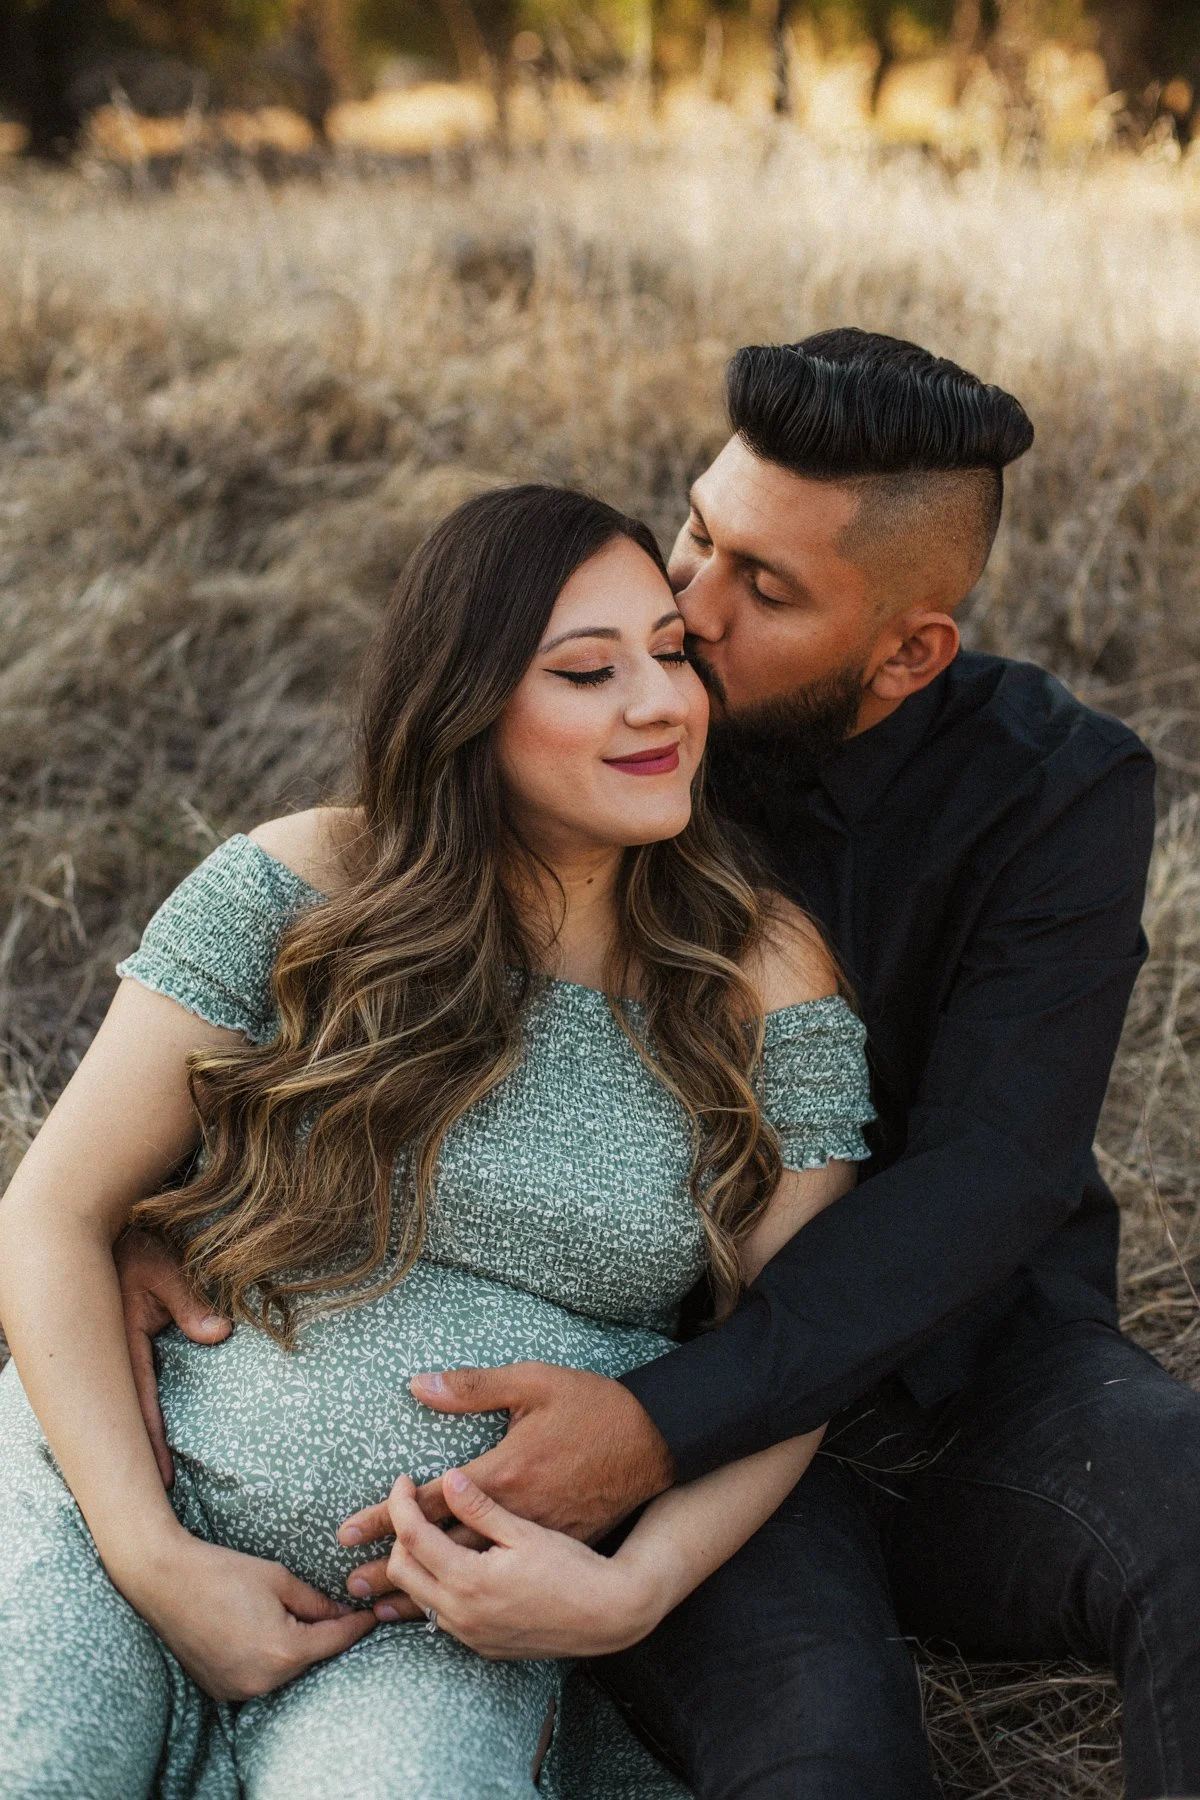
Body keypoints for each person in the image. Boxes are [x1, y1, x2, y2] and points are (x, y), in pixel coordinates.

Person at [122, 330, 1193, 1800]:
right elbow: (371, 928)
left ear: (910, 652)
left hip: (956, 1379)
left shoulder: (1056, 788)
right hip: (633, 1362)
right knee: (824, 1749)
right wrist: (162, 1207)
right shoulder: (624, 709)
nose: (690, 606)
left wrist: (661, 1428)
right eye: (700, 533)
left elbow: (996, 1172)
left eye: (767, 589)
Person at [0, 484, 876, 1799]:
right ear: (467, 706)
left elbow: (799, 1345)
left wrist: (631, 1586)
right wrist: (153, 1560)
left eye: (671, 652)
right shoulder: (306, 880)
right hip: (112, 1513)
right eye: (588, 671)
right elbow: (54, 1210)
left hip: (440, 1618)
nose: (662, 703)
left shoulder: (760, 972)